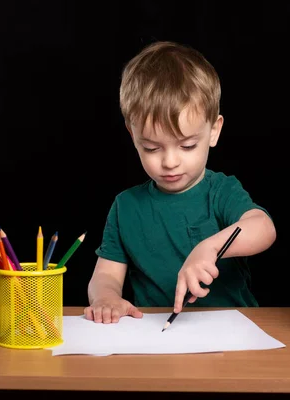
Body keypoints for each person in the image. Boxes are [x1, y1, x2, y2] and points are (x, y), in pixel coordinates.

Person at [83, 40, 276, 324]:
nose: (170, 161)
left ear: (214, 131)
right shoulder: (126, 206)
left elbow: (263, 227)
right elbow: (106, 275)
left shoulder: (221, 191)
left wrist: (210, 247)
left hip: (231, 331)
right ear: (132, 134)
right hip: (156, 336)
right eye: (151, 148)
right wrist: (106, 298)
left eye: (187, 146)